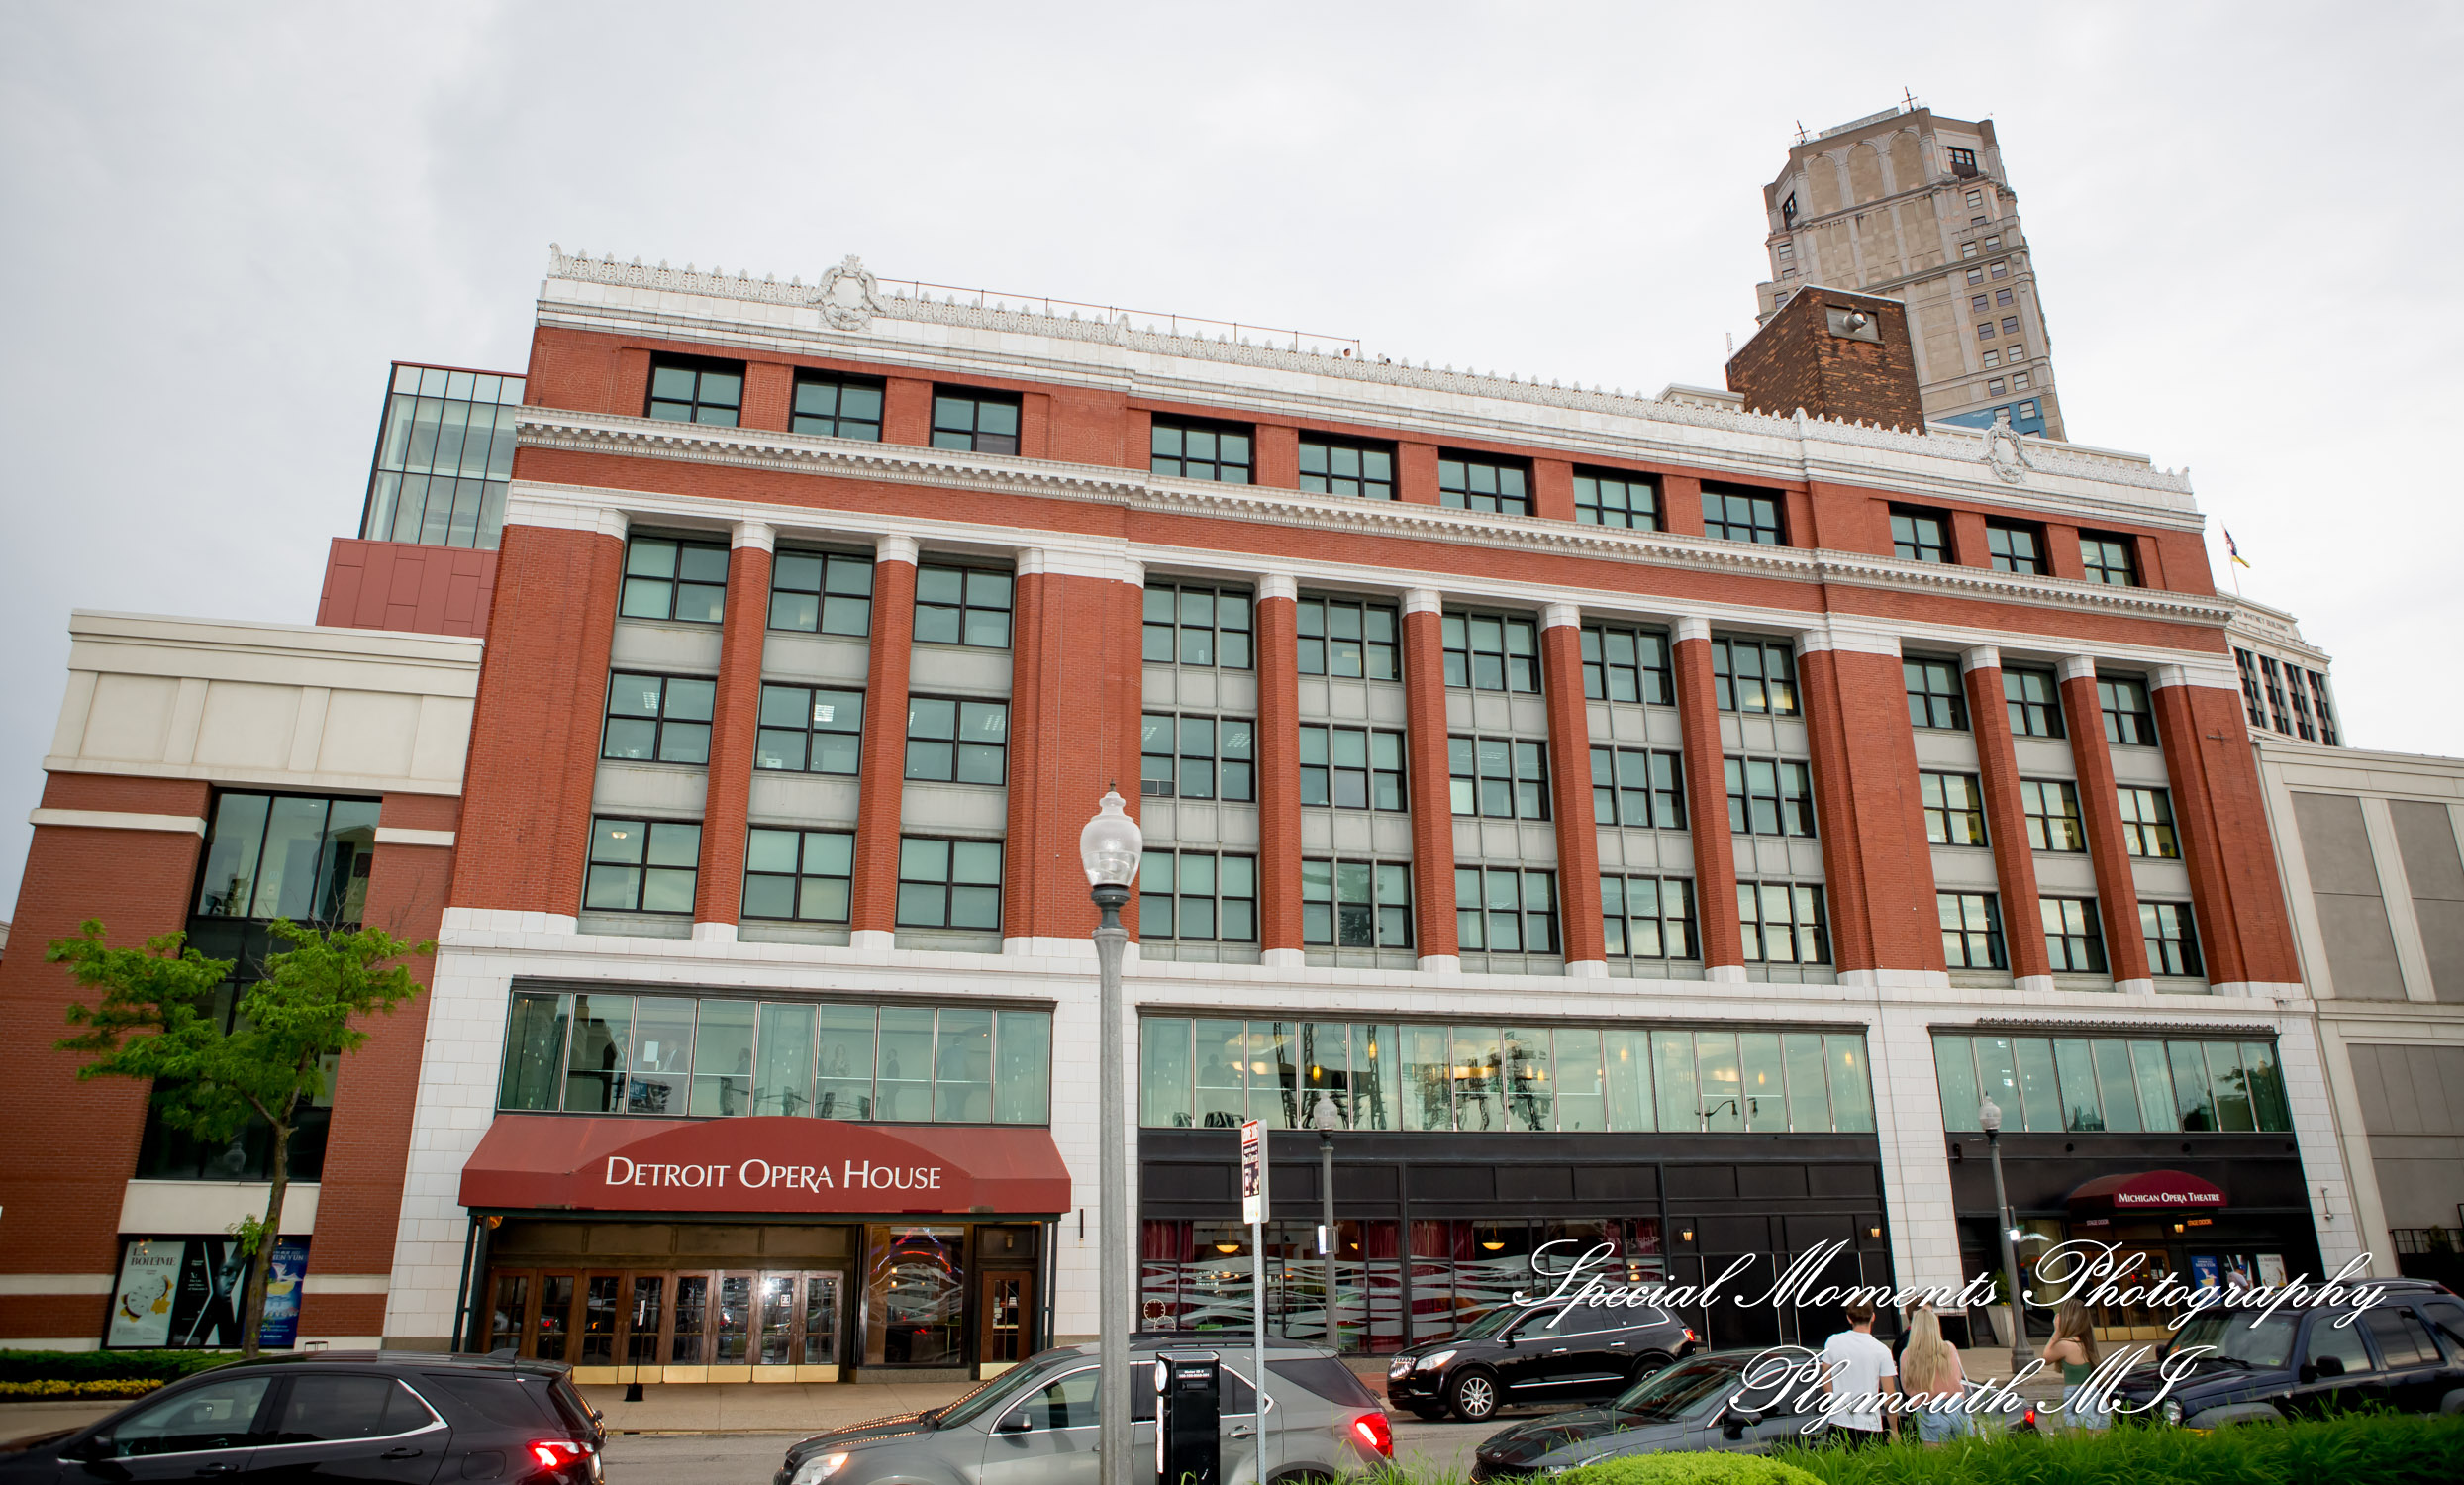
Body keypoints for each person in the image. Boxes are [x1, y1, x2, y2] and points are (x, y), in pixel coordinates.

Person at [1821, 1300, 1899, 1446]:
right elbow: (1889, 1395)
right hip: (1870, 1424)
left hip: (1839, 1421)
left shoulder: (1834, 1342)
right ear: (1873, 1316)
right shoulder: (1882, 1350)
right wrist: (1894, 1429)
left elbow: (1825, 1379)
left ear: (1849, 1318)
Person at [1898, 1303, 1969, 1443]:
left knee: (1936, 1461)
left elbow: (1906, 1388)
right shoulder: (1949, 1348)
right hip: (1957, 1406)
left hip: (1928, 1408)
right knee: (1965, 1457)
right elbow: (1958, 1376)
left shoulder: (1907, 1354)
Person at [2041, 1297, 2108, 1432]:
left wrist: (2057, 1332)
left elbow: (2045, 1359)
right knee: (2099, 1448)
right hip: (2096, 1397)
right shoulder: (2087, 1345)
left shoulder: (2066, 1344)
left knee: (2078, 1447)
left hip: (2078, 1398)